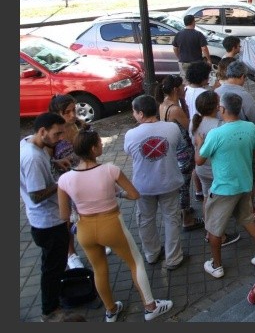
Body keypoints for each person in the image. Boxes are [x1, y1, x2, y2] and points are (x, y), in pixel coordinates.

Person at [57, 127, 174, 321]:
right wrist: (118, 193)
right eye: (99, 143)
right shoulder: (110, 170)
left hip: (85, 230)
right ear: (94, 149)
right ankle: (150, 306)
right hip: (111, 223)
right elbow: (135, 194)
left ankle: (110, 310)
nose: (102, 145)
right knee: (135, 262)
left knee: (99, 269)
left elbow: (63, 215)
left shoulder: (65, 179)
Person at [196, 92, 255, 279]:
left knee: (213, 229)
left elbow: (199, 161)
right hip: (245, 184)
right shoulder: (250, 127)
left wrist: (198, 144)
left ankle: (216, 265)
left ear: (223, 109)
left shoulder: (215, 134)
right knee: (247, 219)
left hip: (223, 189)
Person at [123, 95, 186, 271]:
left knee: (145, 220)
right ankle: (174, 257)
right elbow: (178, 145)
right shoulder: (172, 128)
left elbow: (129, 152)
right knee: (172, 219)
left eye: (134, 112)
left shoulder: (131, 134)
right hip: (170, 182)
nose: (134, 115)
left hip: (143, 186)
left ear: (141, 113)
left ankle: (152, 254)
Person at [20, 112, 70, 322]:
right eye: (57, 134)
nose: (60, 139)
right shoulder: (32, 158)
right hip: (48, 222)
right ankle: (50, 311)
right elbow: (36, 194)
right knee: (52, 269)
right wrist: (62, 183)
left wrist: (56, 162)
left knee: (52, 265)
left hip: (44, 220)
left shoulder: (27, 143)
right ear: (42, 132)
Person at [215, 60, 255, 220]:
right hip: (244, 140)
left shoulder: (216, 91)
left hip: (222, 139)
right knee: (249, 175)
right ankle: (248, 210)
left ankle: (230, 208)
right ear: (242, 76)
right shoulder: (243, 94)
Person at [191, 90, 241, 247]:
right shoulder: (220, 126)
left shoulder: (195, 122)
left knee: (207, 198)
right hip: (216, 170)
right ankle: (220, 235)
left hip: (202, 171)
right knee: (218, 205)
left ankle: (208, 232)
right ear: (216, 108)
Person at [157, 75, 204, 232]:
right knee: (184, 186)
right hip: (183, 151)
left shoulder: (164, 105)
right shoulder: (176, 110)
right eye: (182, 86)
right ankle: (187, 220)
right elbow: (190, 127)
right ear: (176, 89)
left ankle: (185, 211)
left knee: (182, 184)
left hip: (175, 149)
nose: (185, 88)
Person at [46, 95, 85, 269]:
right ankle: (71, 254)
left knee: (84, 211)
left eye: (73, 110)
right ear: (56, 113)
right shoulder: (52, 134)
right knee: (68, 219)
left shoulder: (77, 125)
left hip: (82, 176)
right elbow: (47, 161)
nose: (71, 115)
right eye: (66, 112)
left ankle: (91, 238)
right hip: (64, 182)